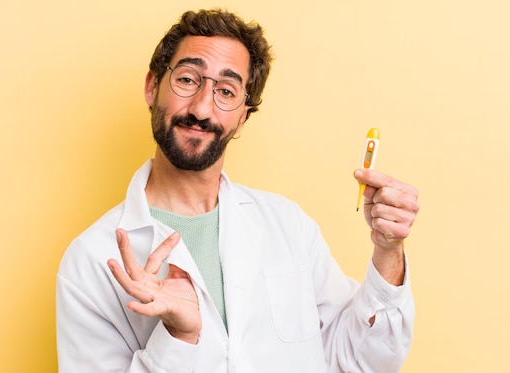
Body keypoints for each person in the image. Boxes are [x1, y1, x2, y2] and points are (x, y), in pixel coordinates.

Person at [56, 8, 419, 373]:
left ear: (243, 116)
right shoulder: (90, 263)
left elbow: (359, 361)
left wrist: (388, 252)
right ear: (152, 87)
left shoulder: (288, 226)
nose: (201, 108)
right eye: (187, 79)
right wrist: (178, 338)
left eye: (226, 91)